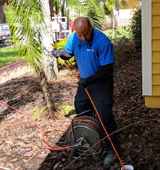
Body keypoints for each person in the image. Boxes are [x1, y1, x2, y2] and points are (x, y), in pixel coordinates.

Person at [52, 16, 120, 166]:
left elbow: (106, 69)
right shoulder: (74, 38)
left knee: (104, 117)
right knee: (81, 109)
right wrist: (60, 54)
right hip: (85, 84)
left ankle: (113, 150)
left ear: (91, 28)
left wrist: (89, 79)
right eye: (79, 35)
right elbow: (68, 53)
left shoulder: (102, 41)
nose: (83, 38)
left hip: (101, 84)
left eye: (86, 34)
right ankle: (90, 140)